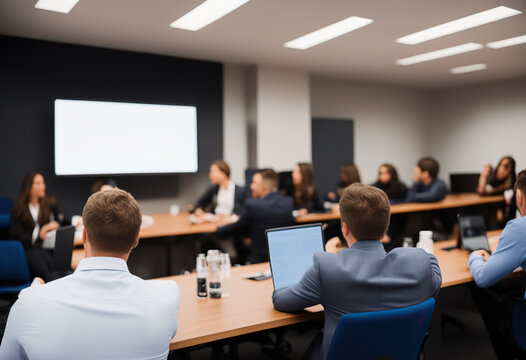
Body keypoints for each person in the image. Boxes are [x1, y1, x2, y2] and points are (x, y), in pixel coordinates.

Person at [0, 189, 179, 360]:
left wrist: (37, 295)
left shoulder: (30, 303)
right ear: (135, 241)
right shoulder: (166, 297)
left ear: (84, 235)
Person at [272, 184, 441, 360]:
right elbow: (434, 278)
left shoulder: (327, 266)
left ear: (344, 228)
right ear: (386, 225)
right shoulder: (420, 261)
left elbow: (281, 300)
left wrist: (329, 256)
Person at [469, 169, 526, 359]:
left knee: (481, 290)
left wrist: (474, 256)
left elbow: (484, 278)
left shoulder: (520, 227)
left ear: (519, 197)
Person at [216, 169, 294, 263]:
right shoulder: (288, 203)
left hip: (258, 261)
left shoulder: (253, 205)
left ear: (265, 187)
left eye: (254, 183)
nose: (251, 186)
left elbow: (236, 227)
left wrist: (217, 229)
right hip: (283, 259)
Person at [9, 172, 67, 282]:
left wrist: (53, 226)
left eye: (43, 183)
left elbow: (62, 220)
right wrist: (40, 233)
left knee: (60, 272)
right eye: (38, 183)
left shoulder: (49, 204)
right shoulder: (19, 209)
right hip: (30, 250)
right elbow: (16, 235)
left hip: (47, 248)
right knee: (49, 276)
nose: (43, 186)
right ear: (29, 187)